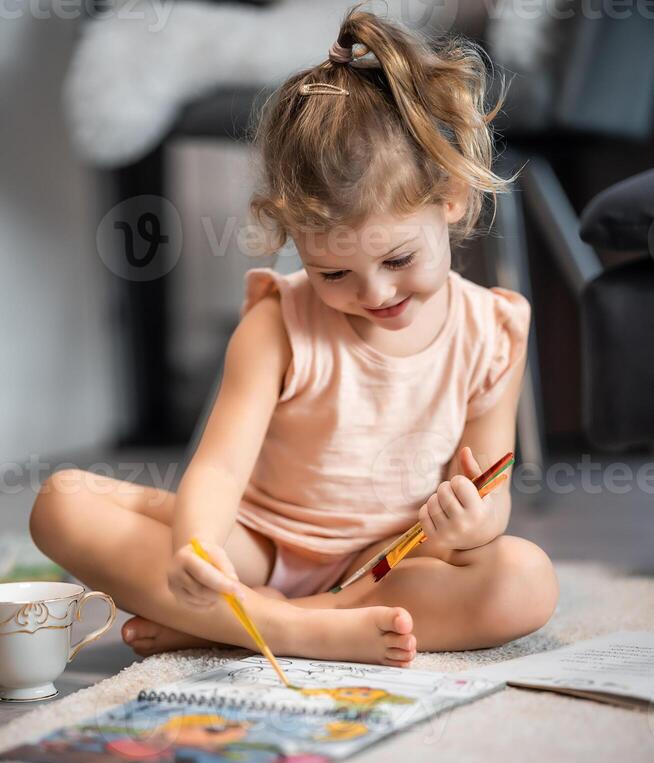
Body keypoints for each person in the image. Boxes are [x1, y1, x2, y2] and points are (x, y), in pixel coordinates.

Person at [30, 6, 559, 667]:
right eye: (333, 271)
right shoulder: (277, 323)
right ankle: (291, 629)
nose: (373, 295)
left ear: (449, 197)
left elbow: (490, 487)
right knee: (61, 503)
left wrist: (473, 522)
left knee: (526, 579)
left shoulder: (494, 330)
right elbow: (220, 468)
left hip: (389, 563)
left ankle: (240, 626)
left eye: (397, 259)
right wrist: (198, 549)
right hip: (261, 545)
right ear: (293, 239)